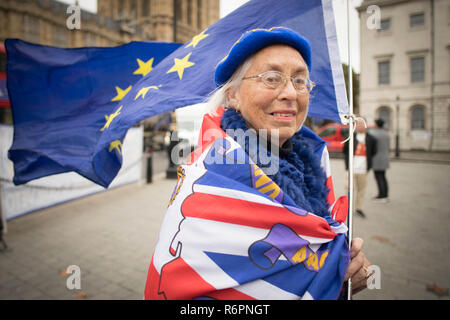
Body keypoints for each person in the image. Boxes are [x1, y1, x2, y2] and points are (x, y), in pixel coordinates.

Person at [144, 27, 371, 300]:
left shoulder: (314, 168)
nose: (291, 93)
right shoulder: (210, 178)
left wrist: (341, 275)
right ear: (233, 96)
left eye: (300, 81)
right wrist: (329, 280)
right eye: (272, 78)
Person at [343, 118, 377, 218]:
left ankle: (359, 208)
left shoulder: (371, 139)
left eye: (361, 124)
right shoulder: (350, 137)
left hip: (363, 169)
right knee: (349, 189)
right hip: (351, 169)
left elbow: (374, 152)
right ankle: (347, 208)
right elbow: (345, 151)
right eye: (357, 124)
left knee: (361, 190)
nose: (359, 126)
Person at [371, 118, 390, 202]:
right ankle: (385, 194)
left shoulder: (375, 134)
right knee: (383, 177)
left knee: (379, 178)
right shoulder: (386, 134)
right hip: (385, 158)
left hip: (377, 159)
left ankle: (382, 196)